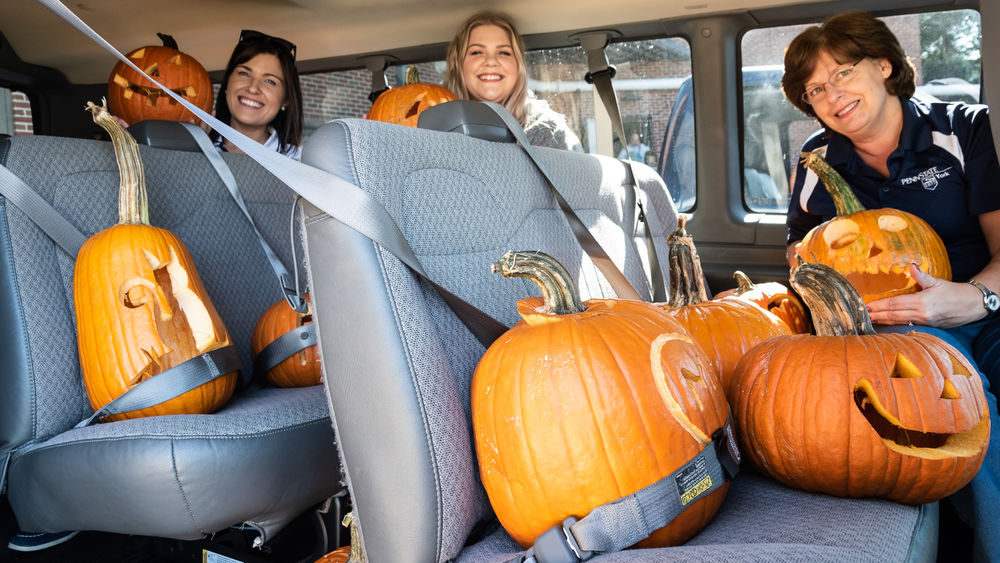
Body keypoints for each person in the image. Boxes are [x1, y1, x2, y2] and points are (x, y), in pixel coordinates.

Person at [781, 11, 1000, 562]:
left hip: (985, 303)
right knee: (966, 407)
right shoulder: (817, 162)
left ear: (884, 65)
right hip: (886, 333)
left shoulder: (966, 130)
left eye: (842, 73)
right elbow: (801, 260)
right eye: (815, 90)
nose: (831, 95)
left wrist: (972, 298)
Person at [444, 12, 583, 152]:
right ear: (458, 64)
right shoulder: (435, 130)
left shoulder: (548, 134)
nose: (491, 61)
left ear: (518, 65)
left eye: (504, 52)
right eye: (477, 52)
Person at [210, 29, 303, 159]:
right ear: (227, 83)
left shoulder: (298, 162)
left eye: (270, 81)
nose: (253, 88)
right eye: (244, 73)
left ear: (285, 99)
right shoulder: (194, 146)